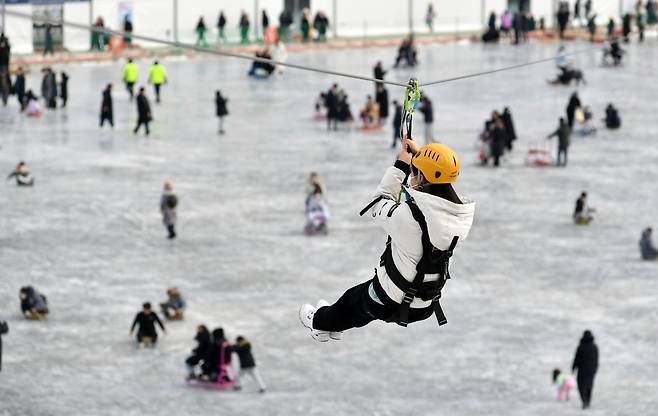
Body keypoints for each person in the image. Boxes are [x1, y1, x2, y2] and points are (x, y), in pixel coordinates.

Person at [299, 138, 475, 341]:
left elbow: (378, 203)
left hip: (395, 299)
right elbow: (431, 201)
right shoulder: (457, 217)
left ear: (423, 177)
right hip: (425, 303)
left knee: (355, 302)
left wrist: (401, 166)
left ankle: (318, 323)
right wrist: (420, 162)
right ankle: (333, 320)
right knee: (358, 304)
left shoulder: (409, 219)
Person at [572, 330, 598, 409]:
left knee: (581, 386)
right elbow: (596, 359)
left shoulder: (581, 346)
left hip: (582, 370)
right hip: (591, 371)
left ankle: (584, 401)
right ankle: (587, 402)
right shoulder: (594, 347)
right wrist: (595, 369)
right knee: (589, 386)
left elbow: (576, 358)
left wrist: (573, 367)